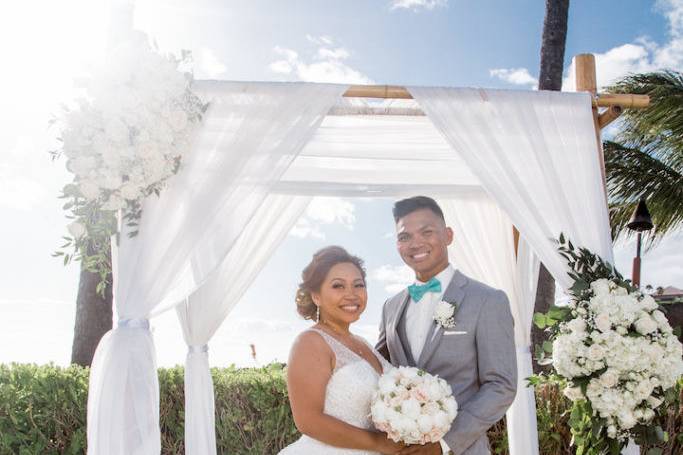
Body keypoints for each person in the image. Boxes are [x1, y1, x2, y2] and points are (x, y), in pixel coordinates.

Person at [376, 196, 517, 455]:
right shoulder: (390, 307)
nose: (415, 243)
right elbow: (379, 370)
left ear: (448, 235)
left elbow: (501, 385)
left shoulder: (487, 300)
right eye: (404, 237)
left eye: (427, 232)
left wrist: (443, 444)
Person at [279, 246, 404, 455]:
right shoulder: (310, 342)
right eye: (338, 286)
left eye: (358, 285)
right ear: (316, 296)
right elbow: (308, 420)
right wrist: (378, 443)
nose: (351, 295)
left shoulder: (362, 343)